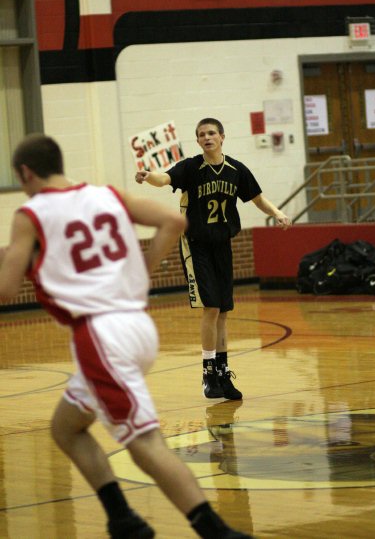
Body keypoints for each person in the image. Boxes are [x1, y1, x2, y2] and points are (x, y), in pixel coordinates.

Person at [0, 134, 253, 539]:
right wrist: (145, 265)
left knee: (146, 444)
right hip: (136, 326)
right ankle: (123, 518)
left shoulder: (31, 214)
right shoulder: (108, 195)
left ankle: (217, 531)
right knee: (66, 428)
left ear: (26, 173)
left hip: (100, 336)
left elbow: (6, 289)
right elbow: (173, 221)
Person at [135, 118, 291, 401]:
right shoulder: (191, 167)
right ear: (198, 141)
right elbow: (165, 179)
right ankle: (208, 373)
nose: (207, 138)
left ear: (222, 136)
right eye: (201, 135)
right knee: (211, 308)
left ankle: (222, 371)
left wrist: (277, 212)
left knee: (223, 312)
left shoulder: (236, 169)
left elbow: (257, 198)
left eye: (211, 133)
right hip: (196, 245)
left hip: (222, 245)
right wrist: (148, 175)